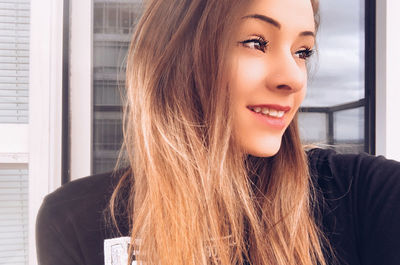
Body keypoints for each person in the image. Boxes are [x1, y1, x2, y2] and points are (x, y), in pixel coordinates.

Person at [36, 0, 400, 264]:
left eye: (302, 51)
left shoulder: (362, 194)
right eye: (256, 42)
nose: (293, 77)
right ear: (175, 54)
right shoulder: (75, 220)